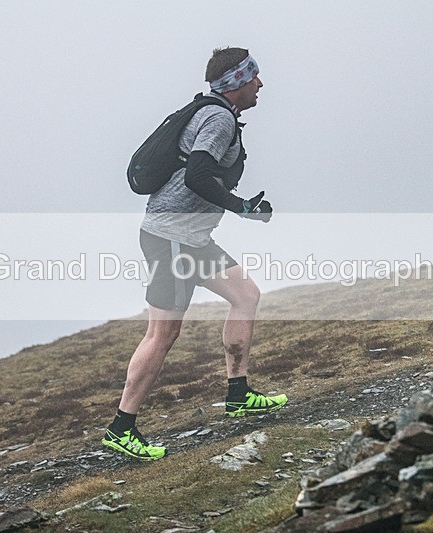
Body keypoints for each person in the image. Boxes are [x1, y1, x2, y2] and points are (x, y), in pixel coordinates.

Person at [102, 47, 288, 461]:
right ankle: (121, 428)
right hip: (170, 237)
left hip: (192, 238)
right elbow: (198, 173)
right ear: (237, 83)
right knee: (162, 334)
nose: (261, 84)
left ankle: (238, 393)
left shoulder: (216, 114)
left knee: (246, 296)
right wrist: (241, 208)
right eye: (254, 77)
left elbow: (200, 175)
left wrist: (240, 207)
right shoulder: (218, 119)